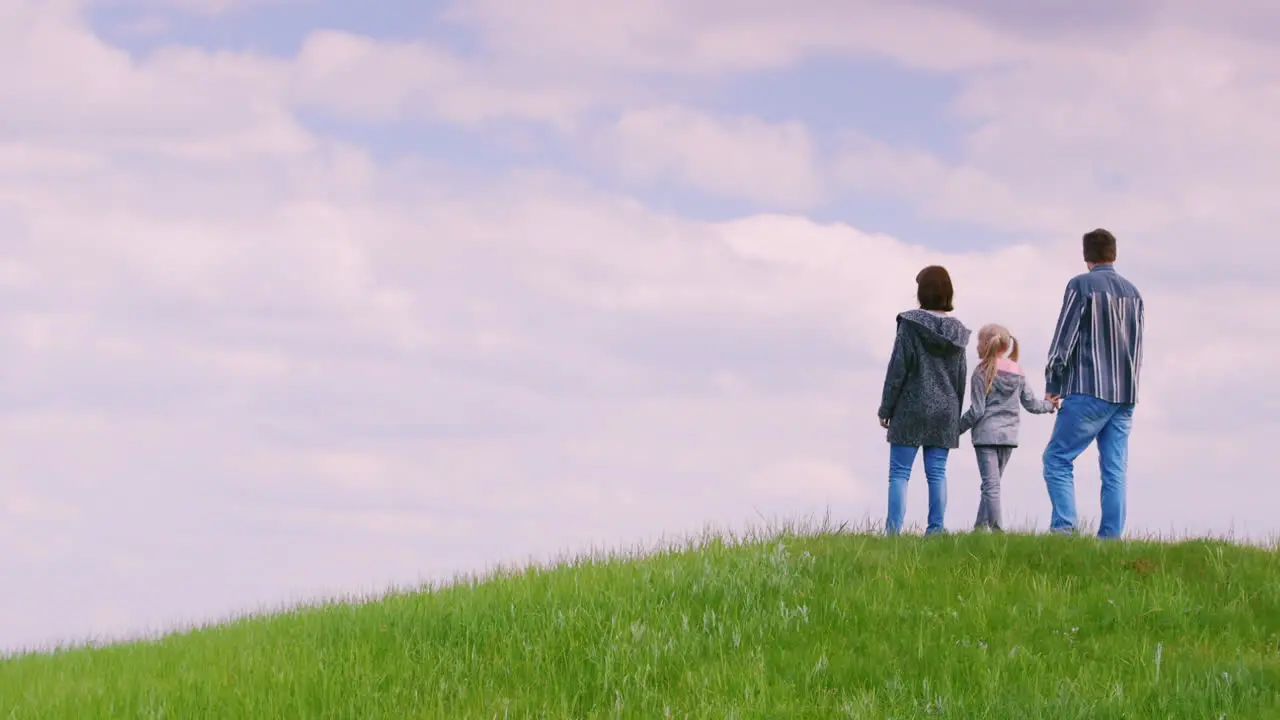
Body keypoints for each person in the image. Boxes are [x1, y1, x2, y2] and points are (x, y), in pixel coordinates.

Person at [1042, 228, 1144, 538]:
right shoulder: (1133, 292)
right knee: (1114, 471)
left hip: (1088, 387)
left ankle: (1064, 529)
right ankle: (1110, 538)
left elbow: (1064, 338)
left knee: (1057, 458)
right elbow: (1137, 344)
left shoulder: (1081, 285)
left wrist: (1053, 382)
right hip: (1125, 394)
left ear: (1087, 256)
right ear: (1114, 254)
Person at [877, 265, 972, 536]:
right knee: (937, 473)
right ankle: (936, 530)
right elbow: (960, 377)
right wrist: (955, 413)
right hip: (945, 409)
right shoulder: (958, 333)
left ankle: (893, 532)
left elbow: (898, 368)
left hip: (911, 406)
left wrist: (886, 407)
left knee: (899, 473)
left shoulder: (909, 324)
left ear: (921, 292)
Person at [958, 324, 1057, 532]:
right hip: (1009, 437)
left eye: (979, 341)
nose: (976, 346)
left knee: (991, 485)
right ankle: (978, 529)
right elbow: (1031, 404)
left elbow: (976, 411)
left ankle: (996, 530)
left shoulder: (981, 371)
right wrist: (1049, 405)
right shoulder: (1017, 372)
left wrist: (956, 428)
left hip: (986, 436)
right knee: (991, 485)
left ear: (987, 344)